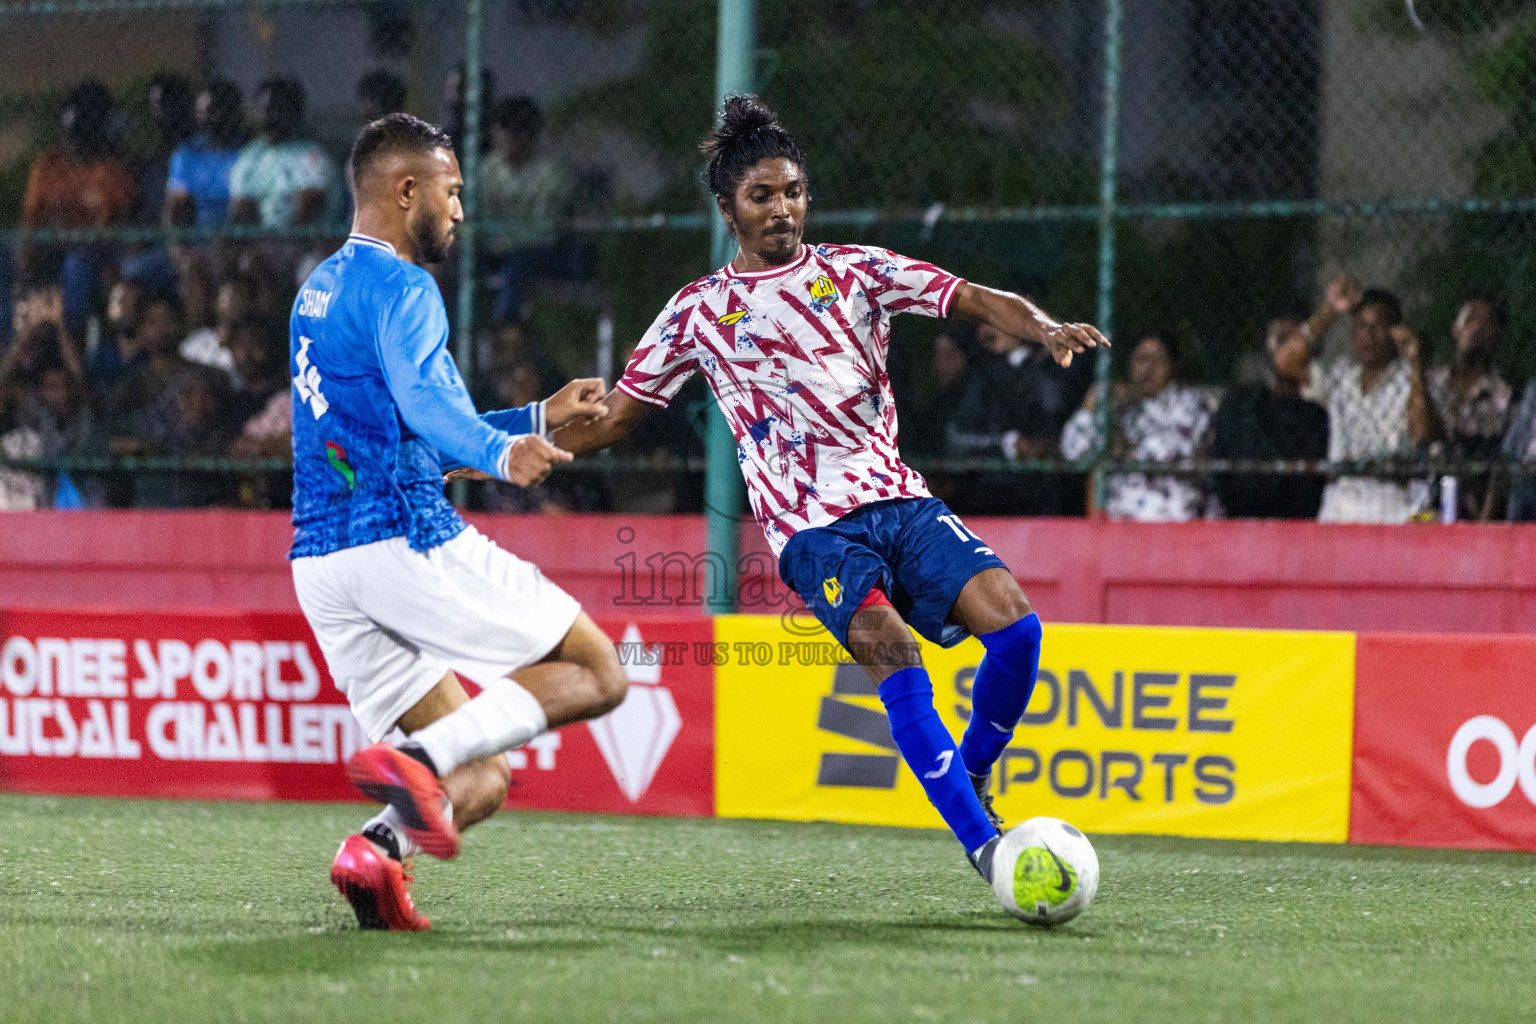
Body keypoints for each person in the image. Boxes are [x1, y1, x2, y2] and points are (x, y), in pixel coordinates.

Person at [543, 96, 1107, 898]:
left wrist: (1044, 326)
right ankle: (988, 850)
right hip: (812, 531)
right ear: (727, 207)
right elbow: (620, 420)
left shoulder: (856, 273)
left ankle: (972, 771)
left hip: (901, 503)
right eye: (764, 195)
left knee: (1018, 632)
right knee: (892, 648)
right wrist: (508, 449)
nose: (783, 208)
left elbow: (973, 298)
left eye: (794, 192)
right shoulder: (698, 312)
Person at [292, 113, 628, 931]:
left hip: (322, 565)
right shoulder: (406, 286)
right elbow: (426, 407)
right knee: (598, 670)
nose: (460, 212)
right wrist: (503, 452)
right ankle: (413, 762)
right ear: (407, 191)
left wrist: (532, 420)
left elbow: (404, 430)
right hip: (397, 538)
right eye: (452, 192)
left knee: (481, 777)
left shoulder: (319, 288)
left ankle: (375, 855)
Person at [19, 81, 135, 342]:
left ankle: (72, 343)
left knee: (77, 266)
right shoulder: (48, 165)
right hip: (50, 252)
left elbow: (105, 234)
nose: (73, 142)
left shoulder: (112, 168)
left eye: (81, 133)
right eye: (68, 133)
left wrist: (60, 236)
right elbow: (32, 225)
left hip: (94, 257)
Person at [1060, 330, 1213, 521]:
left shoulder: (1191, 403)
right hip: (1120, 526)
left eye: (1158, 361)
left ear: (1173, 366)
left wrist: (1123, 446)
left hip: (1176, 523)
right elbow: (1072, 451)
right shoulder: (1116, 406)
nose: (1148, 368)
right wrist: (1089, 410)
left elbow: (1177, 451)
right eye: (1141, 359)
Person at [1316, 288, 1438, 523]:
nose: (1368, 335)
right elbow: (1286, 366)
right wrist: (1329, 311)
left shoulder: (1413, 379)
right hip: (1341, 503)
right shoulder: (1341, 377)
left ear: (1395, 333)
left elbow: (1422, 433)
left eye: (1378, 326)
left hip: (1395, 503)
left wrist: (1415, 361)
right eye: (1361, 326)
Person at [946, 321, 1093, 514]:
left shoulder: (1052, 363)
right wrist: (1008, 444)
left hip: (1046, 492)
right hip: (989, 489)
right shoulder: (978, 371)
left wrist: (1021, 355)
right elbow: (957, 439)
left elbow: (1054, 406)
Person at [1212, 318, 1329, 518]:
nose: (1289, 349)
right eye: (1282, 340)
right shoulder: (1239, 405)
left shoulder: (1316, 416)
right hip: (1243, 521)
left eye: (1297, 341)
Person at [480, 97, 572, 323]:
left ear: (521, 136)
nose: (496, 138)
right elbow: (479, 217)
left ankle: (506, 325)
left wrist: (504, 236)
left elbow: (544, 231)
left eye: (501, 132)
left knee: (517, 263)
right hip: (493, 250)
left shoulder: (550, 173)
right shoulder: (488, 170)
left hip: (537, 253)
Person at [1423, 295, 1512, 520]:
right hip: (1423, 498)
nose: (1475, 328)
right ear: (1455, 327)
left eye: (1486, 322)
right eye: (1469, 318)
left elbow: (1503, 465)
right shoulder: (1429, 384)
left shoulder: (1504, 396)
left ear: (1497, 337)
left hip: (1474, 507)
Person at [228, 78, 338, 228]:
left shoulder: (312, 155)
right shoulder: (250, 155)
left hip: (305, 241)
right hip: (260, 241)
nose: (272, 117)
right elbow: (242, 208)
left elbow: (309, 210)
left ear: (296, 112)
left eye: (281, 110)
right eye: (266, 110)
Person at [165, 80, 248, 228]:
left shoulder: (250, 153)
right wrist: (179, 250)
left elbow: (245, 212)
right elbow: (175, 210)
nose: (206, 118)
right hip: (197, 240)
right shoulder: (186, 155)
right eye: (200, 112)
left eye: (212, 111)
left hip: (239, 238)